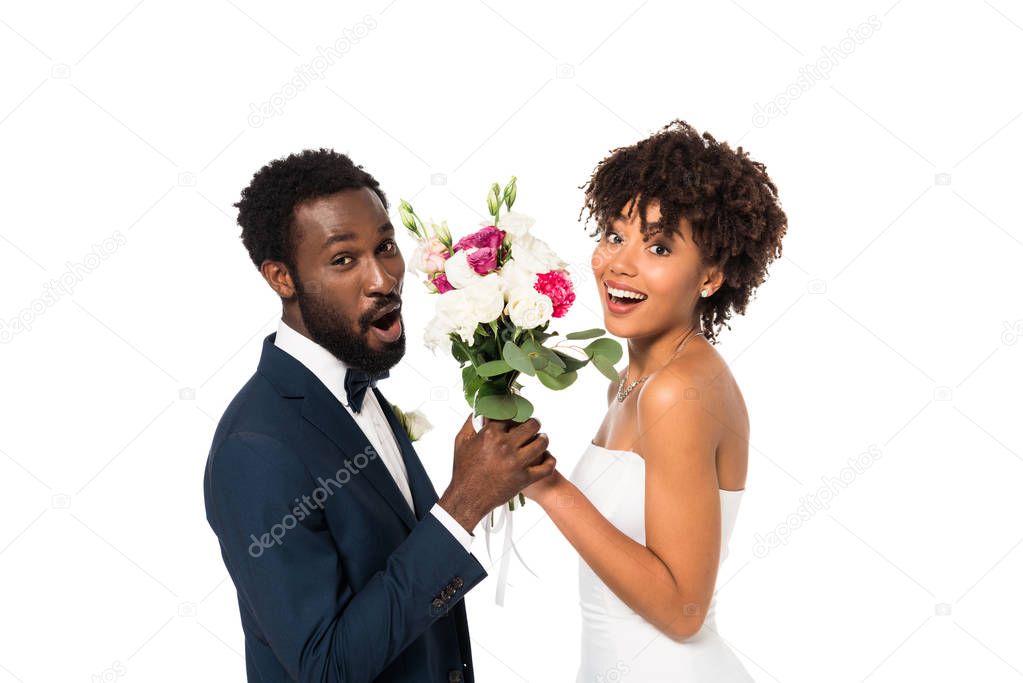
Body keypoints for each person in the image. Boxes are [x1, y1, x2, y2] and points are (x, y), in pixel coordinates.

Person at [203, 148, 556, 683]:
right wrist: (463, 504)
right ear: (281, 278)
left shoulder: (357, 390)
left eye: (386, 247)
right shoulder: (255, 449)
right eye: (344, 260)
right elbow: (327, 669)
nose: (383, 279)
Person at [523, 120, 788, 680]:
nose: (620, 263)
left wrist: (546, 485)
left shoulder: (679, 391)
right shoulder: (632, 379)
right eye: (615, 235)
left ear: (711, 276)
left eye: (659, 246)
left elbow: (683, 611)